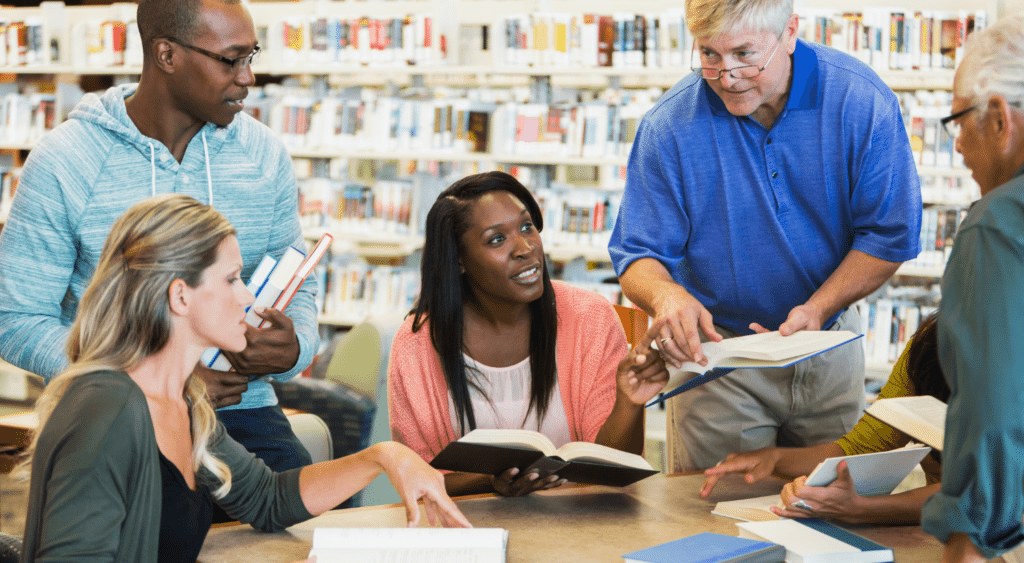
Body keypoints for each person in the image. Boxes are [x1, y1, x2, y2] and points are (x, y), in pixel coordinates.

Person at [20, 194, 470, 563]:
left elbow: (267, 499)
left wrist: (385, 456)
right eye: (233, 279)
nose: (248, 297)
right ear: (180, 295)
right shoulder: (106, 407)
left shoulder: (183, 403)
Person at [0, 0, 315, 471]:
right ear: (167, 56)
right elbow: (15, 318)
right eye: (231, 60)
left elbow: (299, 283)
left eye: (252, 57)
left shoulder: (263, 153)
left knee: (313, 527)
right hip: (112, 413)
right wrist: (149, 379)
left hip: (241, 412)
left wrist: (295, 347)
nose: (247, 78)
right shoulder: (68, 160)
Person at [607, 0, 922, 472]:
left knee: (830, 507)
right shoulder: (668, 126)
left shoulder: (861, 101)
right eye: (709, 53)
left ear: (790, 33)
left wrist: (819, 308)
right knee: (709, 517)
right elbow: (638, 253)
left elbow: (889, 234)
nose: (725, 75)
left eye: (744, 54)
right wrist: (666, 295)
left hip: (827, 343)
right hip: (719, 359)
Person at [388, 171, 670, 497]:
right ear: (459, 259)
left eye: (527, 227)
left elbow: (617, 468)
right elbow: (416, 477)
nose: (525, 248)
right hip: (469, 531)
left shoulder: (590, 318)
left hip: (579, 527)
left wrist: (628, 404)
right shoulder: (418, 342)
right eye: (497, 239)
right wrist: (491, 482)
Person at [917, 15, 1024, 563]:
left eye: (959, 119)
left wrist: (966, 540)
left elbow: (995, 412)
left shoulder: (997, 225)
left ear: (1001, 118)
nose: (957, 143)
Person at [699, 313, 947, 525]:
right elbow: (860, 448)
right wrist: (774, 459)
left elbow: (977, 495)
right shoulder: (927, 347)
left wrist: (862, 509)